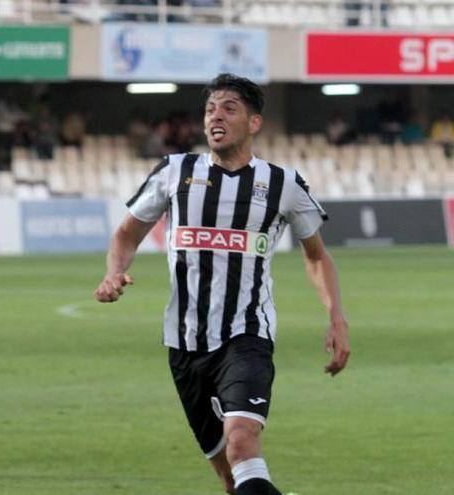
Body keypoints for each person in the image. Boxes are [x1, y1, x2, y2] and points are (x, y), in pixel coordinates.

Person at [94, 74, 351, 495]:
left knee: (242, 440)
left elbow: (317, 256)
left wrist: (336, 317)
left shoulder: (283, 184)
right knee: (232, 477)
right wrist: (113, 272)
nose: (216, 115)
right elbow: (125, 235)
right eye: (211, 108)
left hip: (246, 335)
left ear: (254, 123)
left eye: (229, 108)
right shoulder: (175, 172)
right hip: (183, 344)